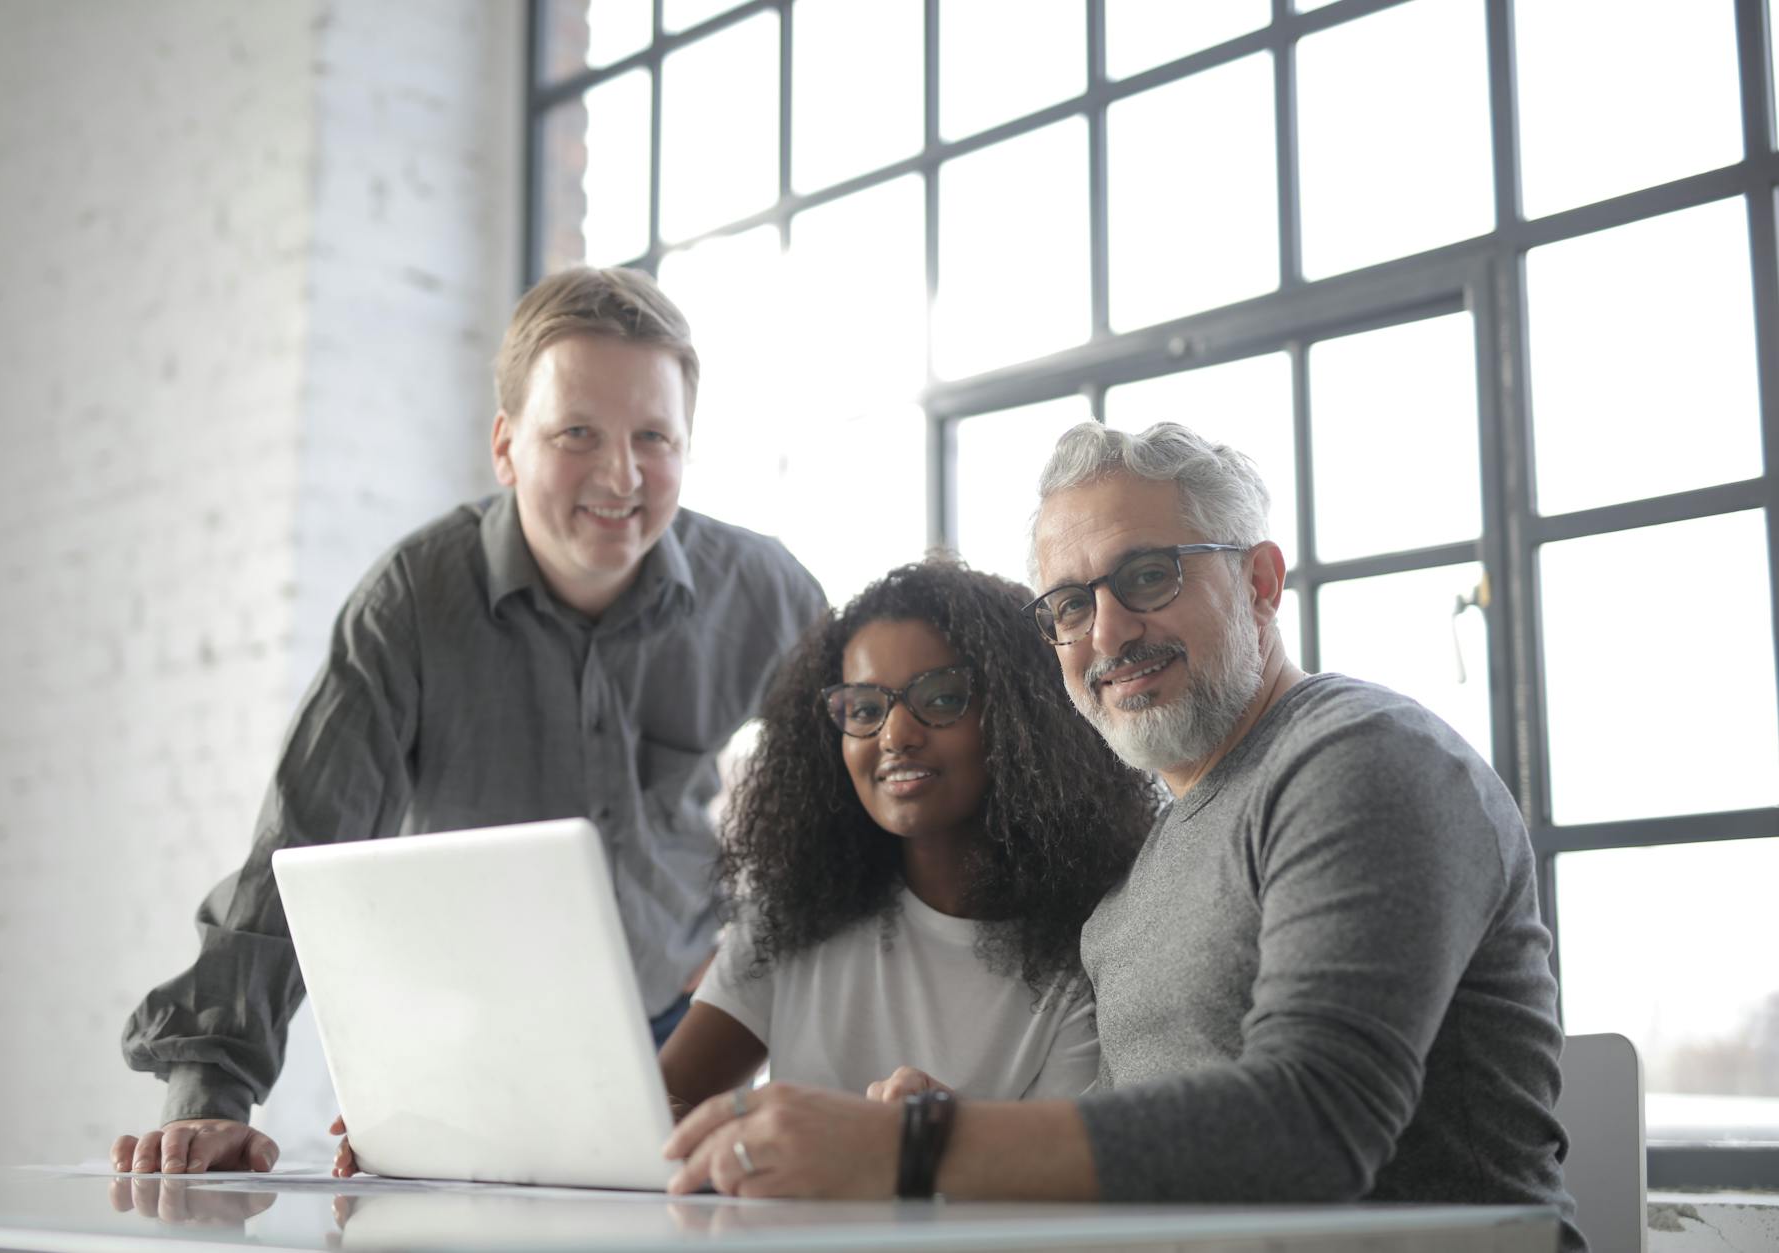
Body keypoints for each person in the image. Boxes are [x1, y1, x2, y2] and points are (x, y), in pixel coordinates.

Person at [663, 421, 1584, 1251]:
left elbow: (1315, 1125)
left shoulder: (1361, 758)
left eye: (1148, 575)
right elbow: (1148, 1150)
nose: (1107, 629)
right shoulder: (1140, 878)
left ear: (1260, 582)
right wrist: (955, 1126)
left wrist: (916, 1146)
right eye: (1068, 603)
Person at [110, 267, 825, 1176]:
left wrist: (750, 951)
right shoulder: (408, 603)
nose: (622, 474)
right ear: (505, 445)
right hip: (464, 1044)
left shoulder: (763, 592)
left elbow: (858, 798)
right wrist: (211, 1095)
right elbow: (295, 852)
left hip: (689, 1031)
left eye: (655, 436)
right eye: (577, 433)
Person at [330, 557, 1159, 1178]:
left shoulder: (1089, 948)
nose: (894, 735)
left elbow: (1069, 1191)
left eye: (939, 697)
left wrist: (928, 1144)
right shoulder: (795, 913)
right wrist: (439, 1126)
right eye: (863, 709)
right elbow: (659, 1112)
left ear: (1015, 716)